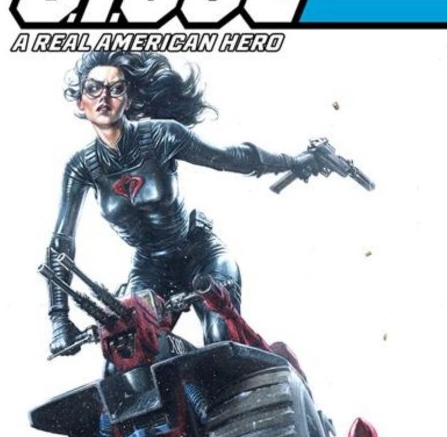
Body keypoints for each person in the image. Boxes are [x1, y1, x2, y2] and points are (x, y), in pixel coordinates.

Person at [47, 51, 317, 356]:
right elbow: (61, 243)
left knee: (219, 337)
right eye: (93, 88)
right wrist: (59, 319)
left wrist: (293, 162)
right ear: (80, 101)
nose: (104, 98)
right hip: (149, 269)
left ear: (129, 99)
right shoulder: (81, 166)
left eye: (116, 88)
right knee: (126, 352)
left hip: (200, 255)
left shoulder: (162, 135)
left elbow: (229, 158)